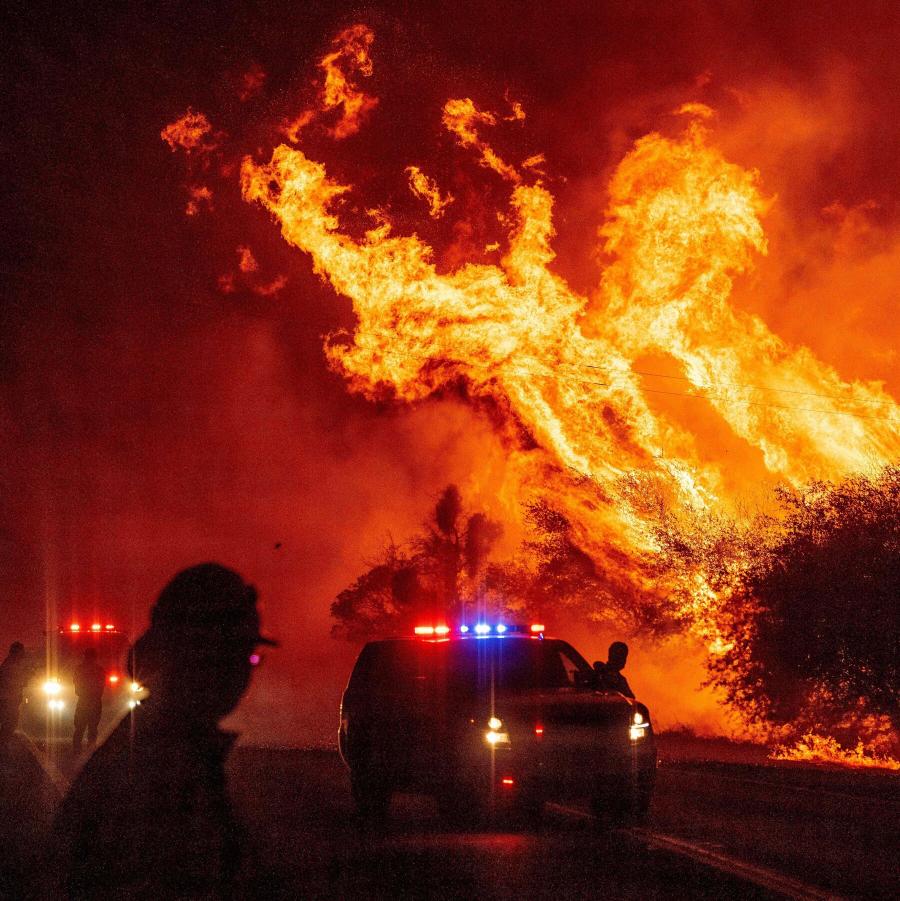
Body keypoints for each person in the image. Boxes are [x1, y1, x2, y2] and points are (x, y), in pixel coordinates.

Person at [48, 563, 276, 899]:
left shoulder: (160, 744)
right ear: (207, 653)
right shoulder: (162, 768)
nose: (246, 669)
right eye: (243, 654)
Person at [72, 647, 105, 753]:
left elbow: (76, 682)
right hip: (95, 701)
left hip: (84, 700)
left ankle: (77, 749)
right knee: (92, 727)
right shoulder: (99, 669)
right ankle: (90, 750)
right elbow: (102, 685)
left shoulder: (80, 669)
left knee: (80, 727)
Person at [0, 642, 28, 742]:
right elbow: (13, 682)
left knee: (9, 722)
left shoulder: (12, 664)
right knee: (9, 722)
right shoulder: (11, 665)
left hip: (9, 699)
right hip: (8, 699)